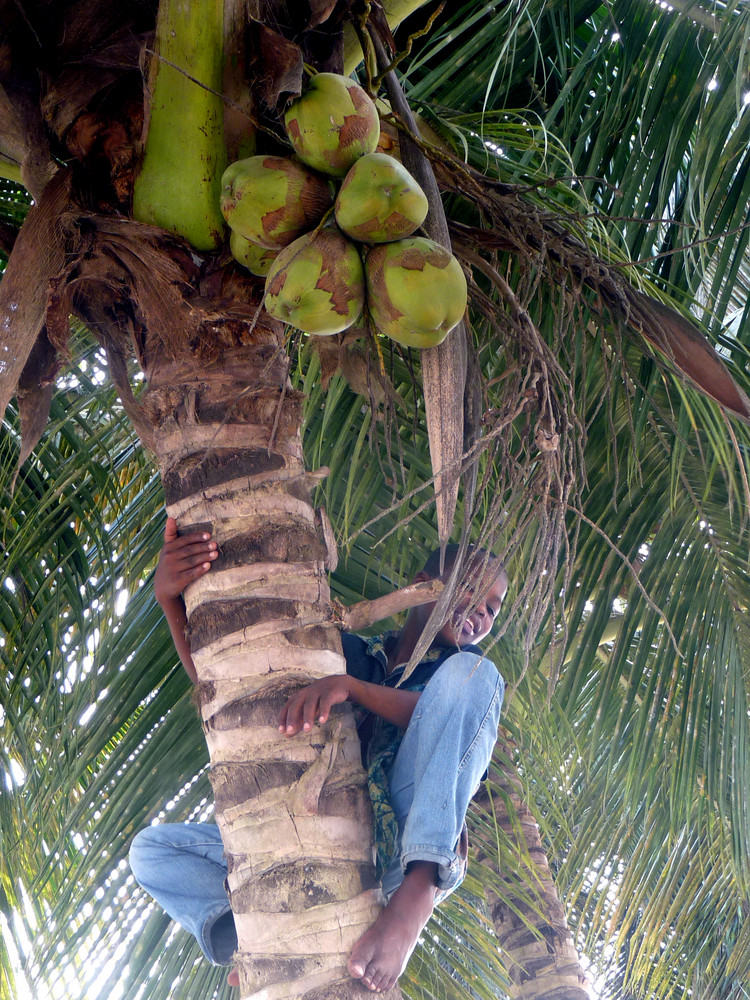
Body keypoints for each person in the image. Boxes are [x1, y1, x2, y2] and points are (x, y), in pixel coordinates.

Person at [129, 517, 507, 993]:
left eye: (494, 609)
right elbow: (229, 688)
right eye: (472, 591)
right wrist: (169, 599)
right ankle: (253, 935)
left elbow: (432, 719)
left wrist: (351, 689)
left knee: (478, 675)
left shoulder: (460, 677)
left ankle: (417, 897)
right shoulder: (349, 651)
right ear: (421, 586)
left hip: (406, 837)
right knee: (153, 852)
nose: (483, 614)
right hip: (321, 832)